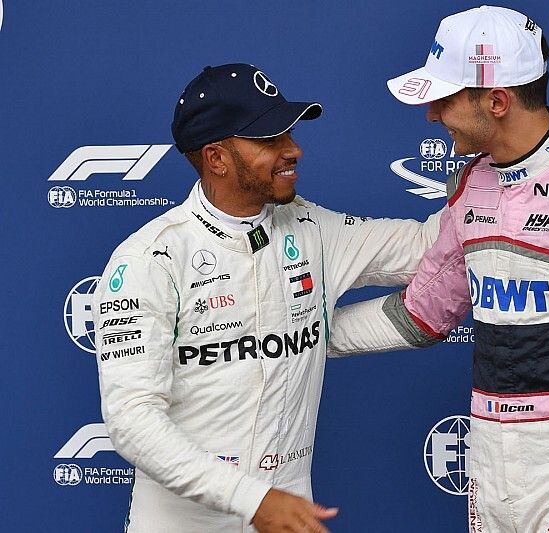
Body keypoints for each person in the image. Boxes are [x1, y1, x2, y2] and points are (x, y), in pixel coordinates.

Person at [329, 6, 549, 533]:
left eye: (445, 98)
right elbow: (421, 315)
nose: (431, 114)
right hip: (487, 456)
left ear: (496, 101)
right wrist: (300, 335)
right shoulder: (471, 184)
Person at [92, 63, 441, 533]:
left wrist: (497, 175)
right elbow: (132, 421)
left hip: (288, 518)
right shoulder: (149, 259)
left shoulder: (312, 228)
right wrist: (253, 499)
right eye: (269, 139)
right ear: (216, 157)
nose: (293, 149)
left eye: (290, 133)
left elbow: (426, 249)